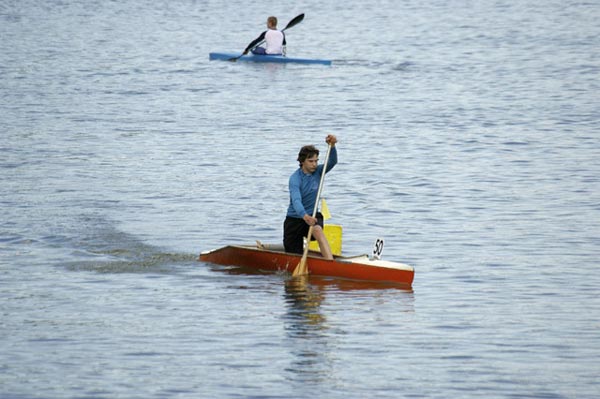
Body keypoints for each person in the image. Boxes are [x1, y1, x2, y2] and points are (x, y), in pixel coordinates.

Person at [283, 135, 338, 259]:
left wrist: (333, 146)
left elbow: (332, 162)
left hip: (312, 215)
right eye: (311, 161)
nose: (314, 164)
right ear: (302, 161)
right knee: (293, 256)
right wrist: (304, 216)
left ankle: (330, 263)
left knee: (317, 229)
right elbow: (296, 201)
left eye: (316, 161)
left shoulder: (319, 171)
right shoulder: (295, 179)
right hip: (295, 219)